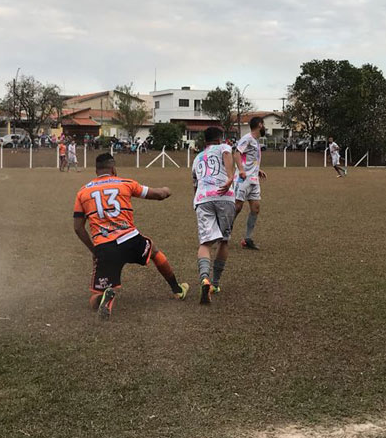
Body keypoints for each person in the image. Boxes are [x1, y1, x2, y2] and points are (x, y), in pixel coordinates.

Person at [72, 153, 188, 320]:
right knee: (154, 251)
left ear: (96, 170)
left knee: (94, 298)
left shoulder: (83, 192)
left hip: (105, 247)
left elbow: (78, 228)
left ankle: (105, 296)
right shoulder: (125, 183)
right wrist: (167, 190)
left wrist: (94, 249)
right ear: (113, 169)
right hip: (130, 240)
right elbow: (158, 195)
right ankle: (177, 289)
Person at [192, 126, 236, 304]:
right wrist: (230, 177)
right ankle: (215, 283)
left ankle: (204, 279)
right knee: (224, 240)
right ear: (220, 140)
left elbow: (195, 184)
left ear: (204, 142)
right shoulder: (223, 147)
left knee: (205, 243)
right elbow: (227, 154)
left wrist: (197, 199)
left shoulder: (196, 158)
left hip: (202, 199)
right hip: (224, 196)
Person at [233, 116, 267, 250]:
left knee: (256, 208)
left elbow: (249, 158)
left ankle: (247, 239)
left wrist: (257, 170)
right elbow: (236, 153)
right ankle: (223, 233)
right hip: (243, 178)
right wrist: (241, 170)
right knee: (237, 207)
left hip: (253, 179)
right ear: (259, 125)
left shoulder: (256, 141)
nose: (264, 127)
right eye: (263, 124)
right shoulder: (247, 138)